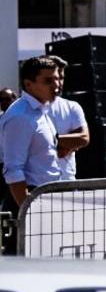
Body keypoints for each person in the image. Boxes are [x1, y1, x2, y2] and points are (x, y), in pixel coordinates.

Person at [2, 56, 68, 207]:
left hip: (44, 197)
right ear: (28, 84)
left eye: (57, 79)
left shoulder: (40, 111)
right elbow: (13, 170)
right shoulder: (20, 116)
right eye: (48, 81)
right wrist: (28, 210)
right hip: (28, 199)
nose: (56, 85)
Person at [44, 56, 89, 181]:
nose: (59, 83)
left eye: (61, 78)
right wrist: (66, 143)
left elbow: (83, 138)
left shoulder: (71, 106)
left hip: (66, 180)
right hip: (37, 183)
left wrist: (66, 145)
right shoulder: (28, 107)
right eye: (54, 78)